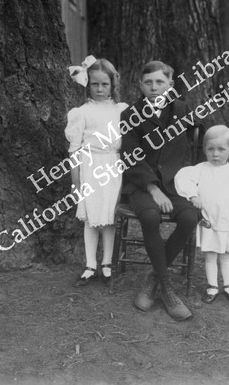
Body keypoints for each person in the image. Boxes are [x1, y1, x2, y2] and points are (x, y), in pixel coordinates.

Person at [121, 61, 201, 321]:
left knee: (190, 217)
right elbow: (130, 156)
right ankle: (167, 289)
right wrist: (153, 188)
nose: (154, 88)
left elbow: (200, 137)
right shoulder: (130, 114)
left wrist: (200, 179)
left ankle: (154, 277)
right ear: (141, 85)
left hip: (175, 183)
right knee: (150, 216)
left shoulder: (181, 109)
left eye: (160, 82)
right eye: (148, 83)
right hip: (142, 183)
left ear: (171, 85)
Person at [174, 125, 229, 304]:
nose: (215, 154)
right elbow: (182, 177)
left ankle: (228, 286)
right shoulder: (200, 169)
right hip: (209, 223)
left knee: (226, 256)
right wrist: (192, 194)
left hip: (227, 223)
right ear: (204, 150)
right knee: (211, 256)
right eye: (210, 149)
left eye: (221, 149)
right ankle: (212, 286)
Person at [65, 56, 128, 286]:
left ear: (112, 85)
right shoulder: (81, 113)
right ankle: (90, 264)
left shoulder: (121, 110)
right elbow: (74, 150)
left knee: (109, 216)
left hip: (114, 165)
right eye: (95, 84)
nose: (100, 89)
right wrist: (75, 182)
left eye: (104, 84)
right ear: (87, 84)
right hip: (90, 166)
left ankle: (107, 263)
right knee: (91, 218)